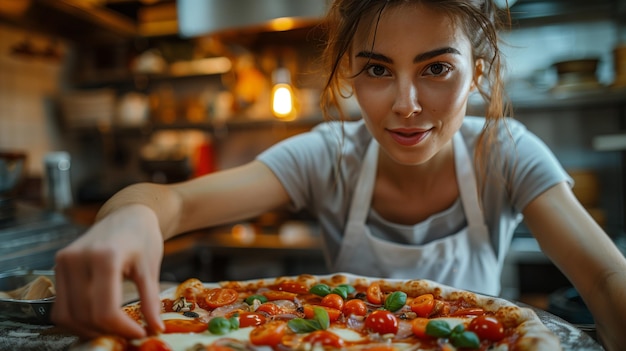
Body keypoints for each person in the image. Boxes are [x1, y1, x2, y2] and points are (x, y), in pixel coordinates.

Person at [52, 0, 626, 349]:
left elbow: (604, 279)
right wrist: (129, 219)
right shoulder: (329, 154)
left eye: (436, 68)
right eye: (378, 69)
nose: (405, 104)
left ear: (476, 75)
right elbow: (169, 204)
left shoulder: (504, 151)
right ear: (348, 76)